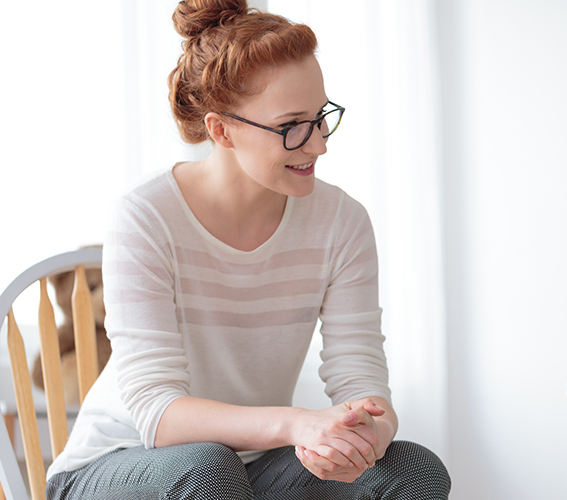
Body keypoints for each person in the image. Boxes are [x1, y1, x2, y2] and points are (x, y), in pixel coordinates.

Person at [45, 1, 450, 498]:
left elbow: (360, 374)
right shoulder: (145, 217)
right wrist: (297, 425)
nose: (319, 143)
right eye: (292, 126)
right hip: (117, 464)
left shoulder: (342, 223)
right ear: (220, 130)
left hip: (251, 469)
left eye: (321, 116)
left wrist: (364, 435)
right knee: (208, 468)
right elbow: (157, 412)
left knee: (412, 469)